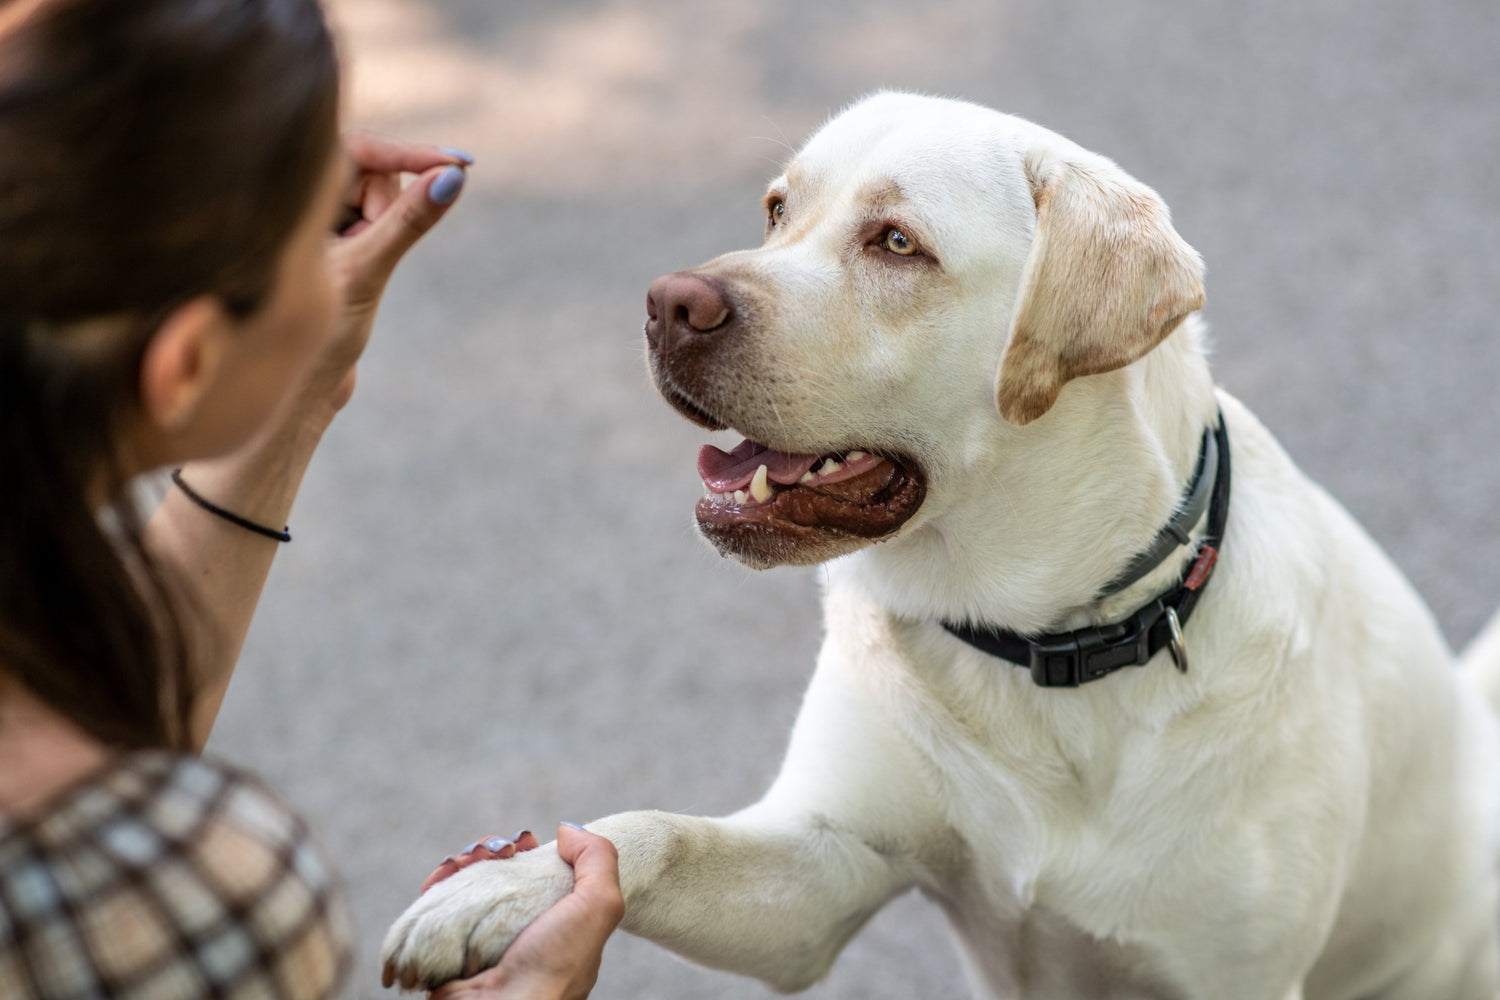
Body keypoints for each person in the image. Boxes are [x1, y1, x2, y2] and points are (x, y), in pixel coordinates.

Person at [0, 1, 623, 998]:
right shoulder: (172, 891)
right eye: (302, 235)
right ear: (189, 360)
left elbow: (100, 726)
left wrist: (291, 400)